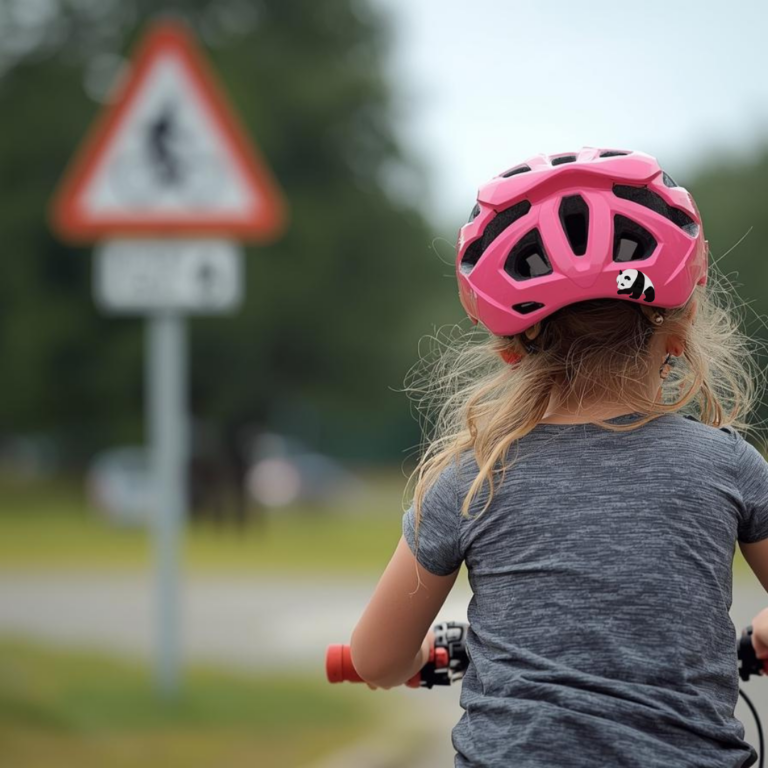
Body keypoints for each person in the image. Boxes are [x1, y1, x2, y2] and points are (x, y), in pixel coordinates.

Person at [349, 147, 768, 767]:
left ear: (511, 351)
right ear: (678, 333)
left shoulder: (475, 476)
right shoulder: (726, 465)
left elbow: (375, 657)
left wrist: (418, 661)